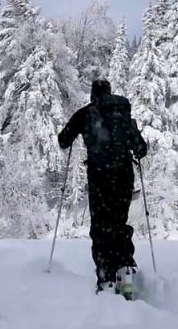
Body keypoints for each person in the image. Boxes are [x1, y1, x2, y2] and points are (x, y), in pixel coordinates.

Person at [58, 80, 148, 297]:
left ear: (92, 95)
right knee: (118, 224)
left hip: (100, 177)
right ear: (110, 93)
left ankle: (106, 279)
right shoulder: (123, 115)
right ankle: (125, 270)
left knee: (100, 229)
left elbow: (63, 140)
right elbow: (141, 149)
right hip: (123, 177)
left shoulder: (86, 113)